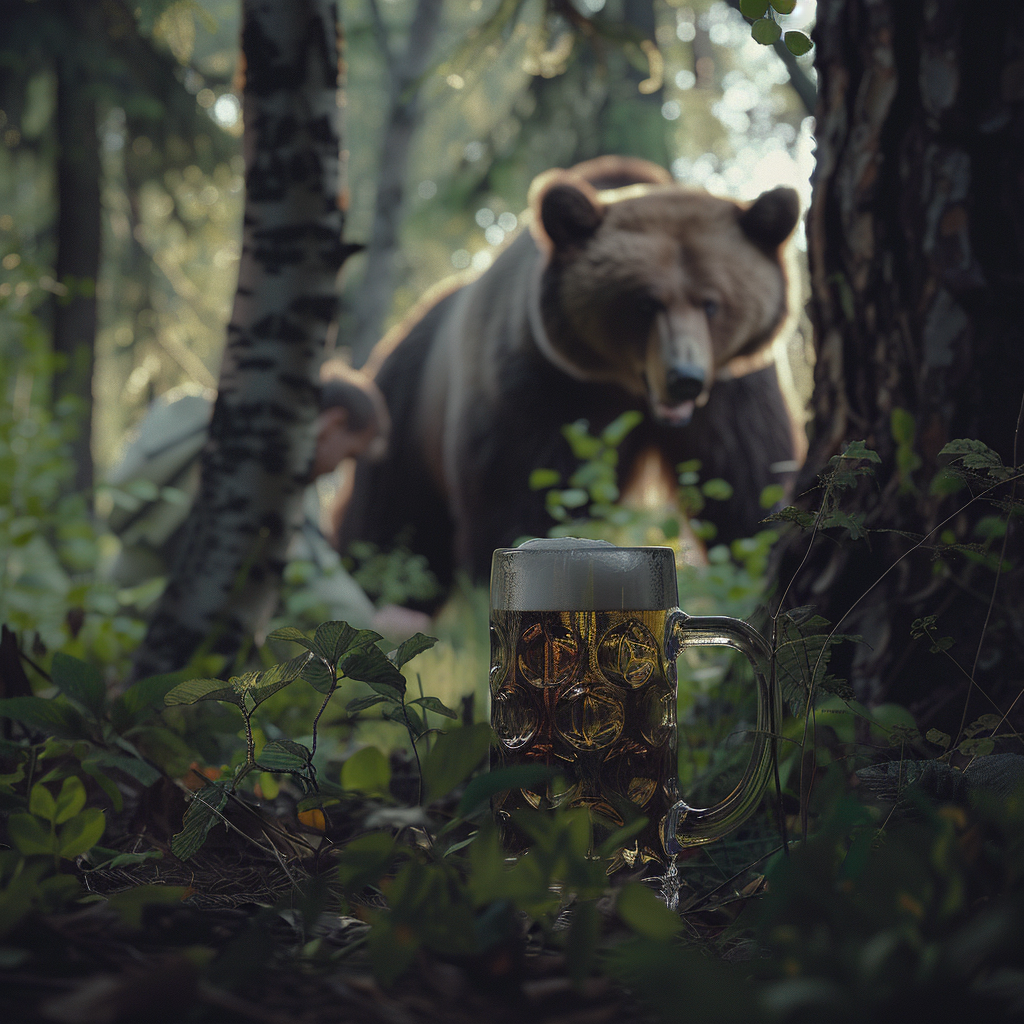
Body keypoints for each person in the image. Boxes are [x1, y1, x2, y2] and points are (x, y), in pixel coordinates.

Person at [103, 361, 427, 637]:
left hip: (111, 605)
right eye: (348, 454)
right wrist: (376, 626)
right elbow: (310, 582)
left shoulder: (207, 419)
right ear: (333, 423)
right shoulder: (273, 474)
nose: (334, 470)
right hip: (158, 634)